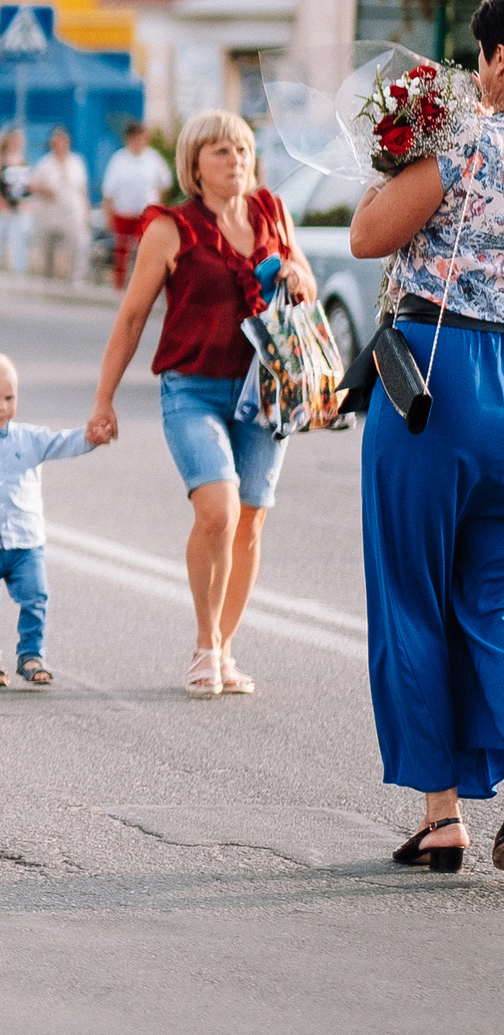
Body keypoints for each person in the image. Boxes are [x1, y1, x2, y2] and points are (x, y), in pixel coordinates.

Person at [348, 0, 504, 872]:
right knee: (495, 600)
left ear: (498, 60)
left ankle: (442, 815)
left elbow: (372, 234)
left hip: (438, 383)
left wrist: (394, 159)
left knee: (412, 595)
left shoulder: (469, 140)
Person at [88, 109, 316, 698]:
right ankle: (203, 641)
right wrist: (104, 399)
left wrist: (293, 269)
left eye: (240, 150)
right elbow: (133, 315)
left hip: (265, 391)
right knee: (219, 509)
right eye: (220, 152)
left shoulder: (272, 212)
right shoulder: (170, 228)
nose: (235, 161)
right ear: (194, 165)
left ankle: (225, 647)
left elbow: (306, 287)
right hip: (191, 389)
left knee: (252, 519)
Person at [0, 351, 95, 689]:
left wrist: (91, 437)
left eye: (10, 397)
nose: (2, 406)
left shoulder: (29, 438)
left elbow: (62, 443)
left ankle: (31, 654)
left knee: (36, 596)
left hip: (26, 543)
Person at [101, 121, 173, 287]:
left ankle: (145, 285)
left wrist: (160, 209)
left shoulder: (153, 159)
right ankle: (119, 286)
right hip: (124, 213)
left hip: (145, 215)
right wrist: (108, 216)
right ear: (129, 139)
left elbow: (165, 184)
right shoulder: (118, 160)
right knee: (121, 253)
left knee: (146, 251)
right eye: (135, 137)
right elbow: (108, 191)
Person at [26, 125, 91, 283]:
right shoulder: (44, 163)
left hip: (72, 214)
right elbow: (33, 185)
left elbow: (82, 190)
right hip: (49, 214)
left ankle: (75, 279)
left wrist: (86, 211)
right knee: (47, 249)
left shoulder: (76, 162)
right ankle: (47, 279)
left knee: (77, 245)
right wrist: (45, 190)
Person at [0, 125, 33, 276]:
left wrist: (25, 203)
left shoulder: (22, 160)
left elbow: (25, 187)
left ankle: (19, 274)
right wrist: (0, 204)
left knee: (19, 245)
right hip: (0, 211)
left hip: (17, 211)